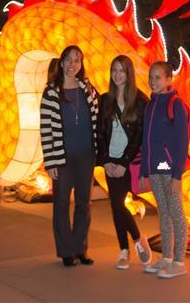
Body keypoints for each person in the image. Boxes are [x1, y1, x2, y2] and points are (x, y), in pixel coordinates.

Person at [40, 45, 100, 267]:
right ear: (62, 62)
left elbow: (97, 118)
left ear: (81, 64)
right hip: (62, 158)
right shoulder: (51, 92)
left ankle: (80, 248)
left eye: (78, 60)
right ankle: (66, 250)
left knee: (84, 203)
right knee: (62, 203)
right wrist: (51, 162)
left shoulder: (87, 88)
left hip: (86, 155)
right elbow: (46, 129)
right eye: (69, 59)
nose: (73, 64)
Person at [96, 55, 152, 270]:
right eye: (114, 70)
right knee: (115, 204)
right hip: (111, 160)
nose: (117, 75)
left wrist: (124, 163)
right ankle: (126, 249)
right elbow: (100, 133)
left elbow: (139, 136)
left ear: (129, 74)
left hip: (129, 162)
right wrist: (106, 161)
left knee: (118, 204)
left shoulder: (140, 101)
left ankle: (136, 241)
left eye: (122, 71)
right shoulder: (105, 99)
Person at [138, 61, 189, 278]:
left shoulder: (175, 104)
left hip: (169, 166)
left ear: (169, 80)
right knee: (164, 212)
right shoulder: (151, 104)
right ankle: (166, 257)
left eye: (158, 77)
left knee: (176, 212)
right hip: (156, 166)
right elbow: (146, 141)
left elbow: (181, 141)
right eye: (151, 77)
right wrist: (143, 172)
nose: (153, 81)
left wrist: (177, 175)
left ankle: (179, 262)